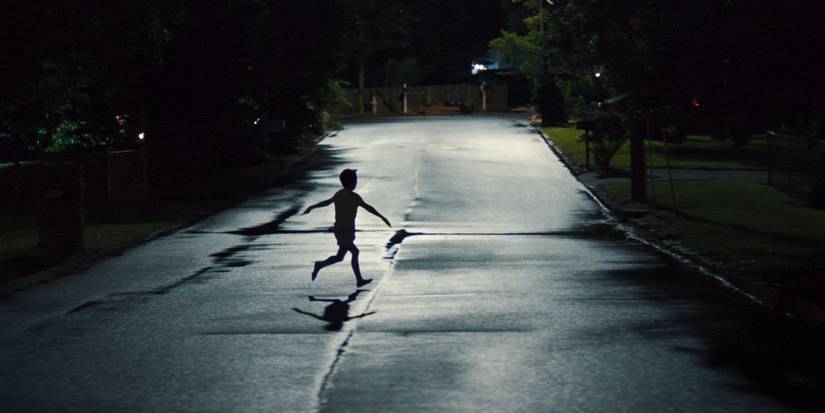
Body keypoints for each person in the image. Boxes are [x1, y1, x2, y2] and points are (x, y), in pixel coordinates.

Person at [303, 169, 391, 287]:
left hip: (342, 230)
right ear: (351, 182)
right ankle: (359, 280)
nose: (356, 183)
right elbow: (368, 207)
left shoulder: (340, 194)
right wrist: (381, 217)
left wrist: (312, 206)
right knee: (355, 252)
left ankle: (320, 265)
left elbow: (327, 202)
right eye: (355, 180)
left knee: (339, 257)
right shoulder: (354, 197)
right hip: (343, 231)